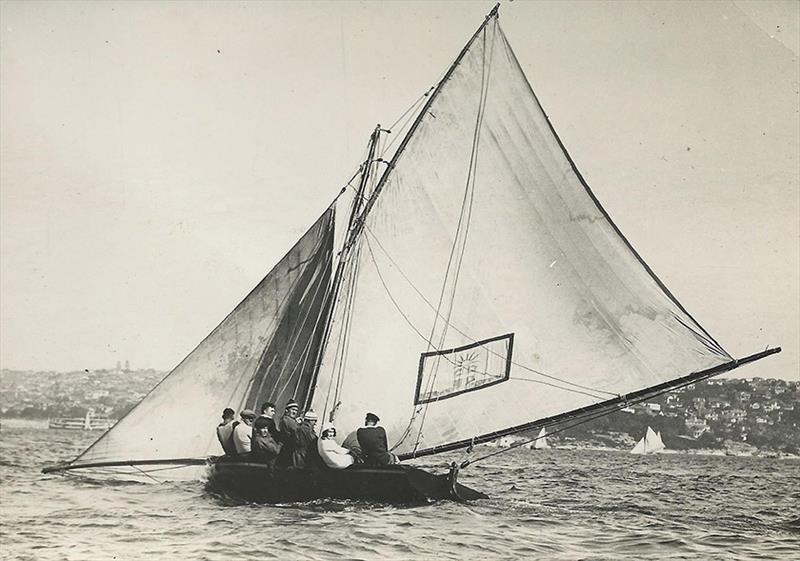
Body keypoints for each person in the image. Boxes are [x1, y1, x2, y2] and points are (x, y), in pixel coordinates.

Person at [277, 399, 301, 467]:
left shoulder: (285, 419)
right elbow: (297, 432)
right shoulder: (288, 420)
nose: (295, 412)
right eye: (293, 410)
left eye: (296, 410)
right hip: (289, 449)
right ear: (287, 410)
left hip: (285, 448)